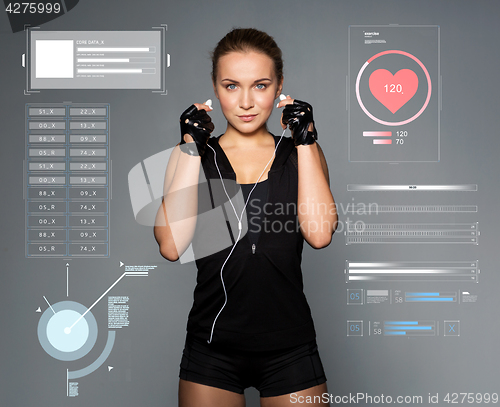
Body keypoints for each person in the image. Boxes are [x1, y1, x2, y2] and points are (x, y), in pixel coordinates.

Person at [154, 27, 337, 407]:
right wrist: (191, 148)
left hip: (289, 346)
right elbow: (171, 246)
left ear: (279, 86)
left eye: (261, 85)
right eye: (232, 86)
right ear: (215, 88)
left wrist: (304, 141)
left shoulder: (303, 152)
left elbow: (319, 234)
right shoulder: (189, 155)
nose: (247, 102)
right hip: (211, 348)